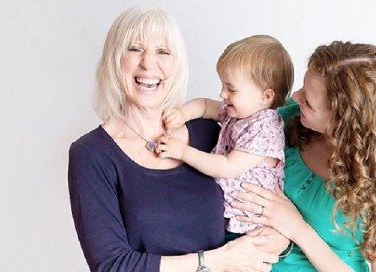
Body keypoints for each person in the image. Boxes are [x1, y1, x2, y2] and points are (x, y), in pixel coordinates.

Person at [67, 5, 287, 272]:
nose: (149, 63)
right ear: (115, 60)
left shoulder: (210, 134)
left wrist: (282, 239)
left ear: (177, 64)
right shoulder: (91, 154)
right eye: (135, 49)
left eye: (163, 52)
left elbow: (267, 200)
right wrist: (215, 261)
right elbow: (112, 266)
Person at [232, 41, 376, 271]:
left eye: (308, 101)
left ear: (344, 124)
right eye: (303, 88)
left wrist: (298, 229)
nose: (295, 96)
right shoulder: (289, 120)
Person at [156, 34, 294, 241]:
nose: (222, 94)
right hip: (224, 214)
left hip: (246, 226)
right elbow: (204, 105)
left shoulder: (265, 128)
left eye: (231, 89)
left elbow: (227, 168)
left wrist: (182, 151)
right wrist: (182, 114)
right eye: (223, 86)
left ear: (265, 96)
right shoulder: (239, 111)